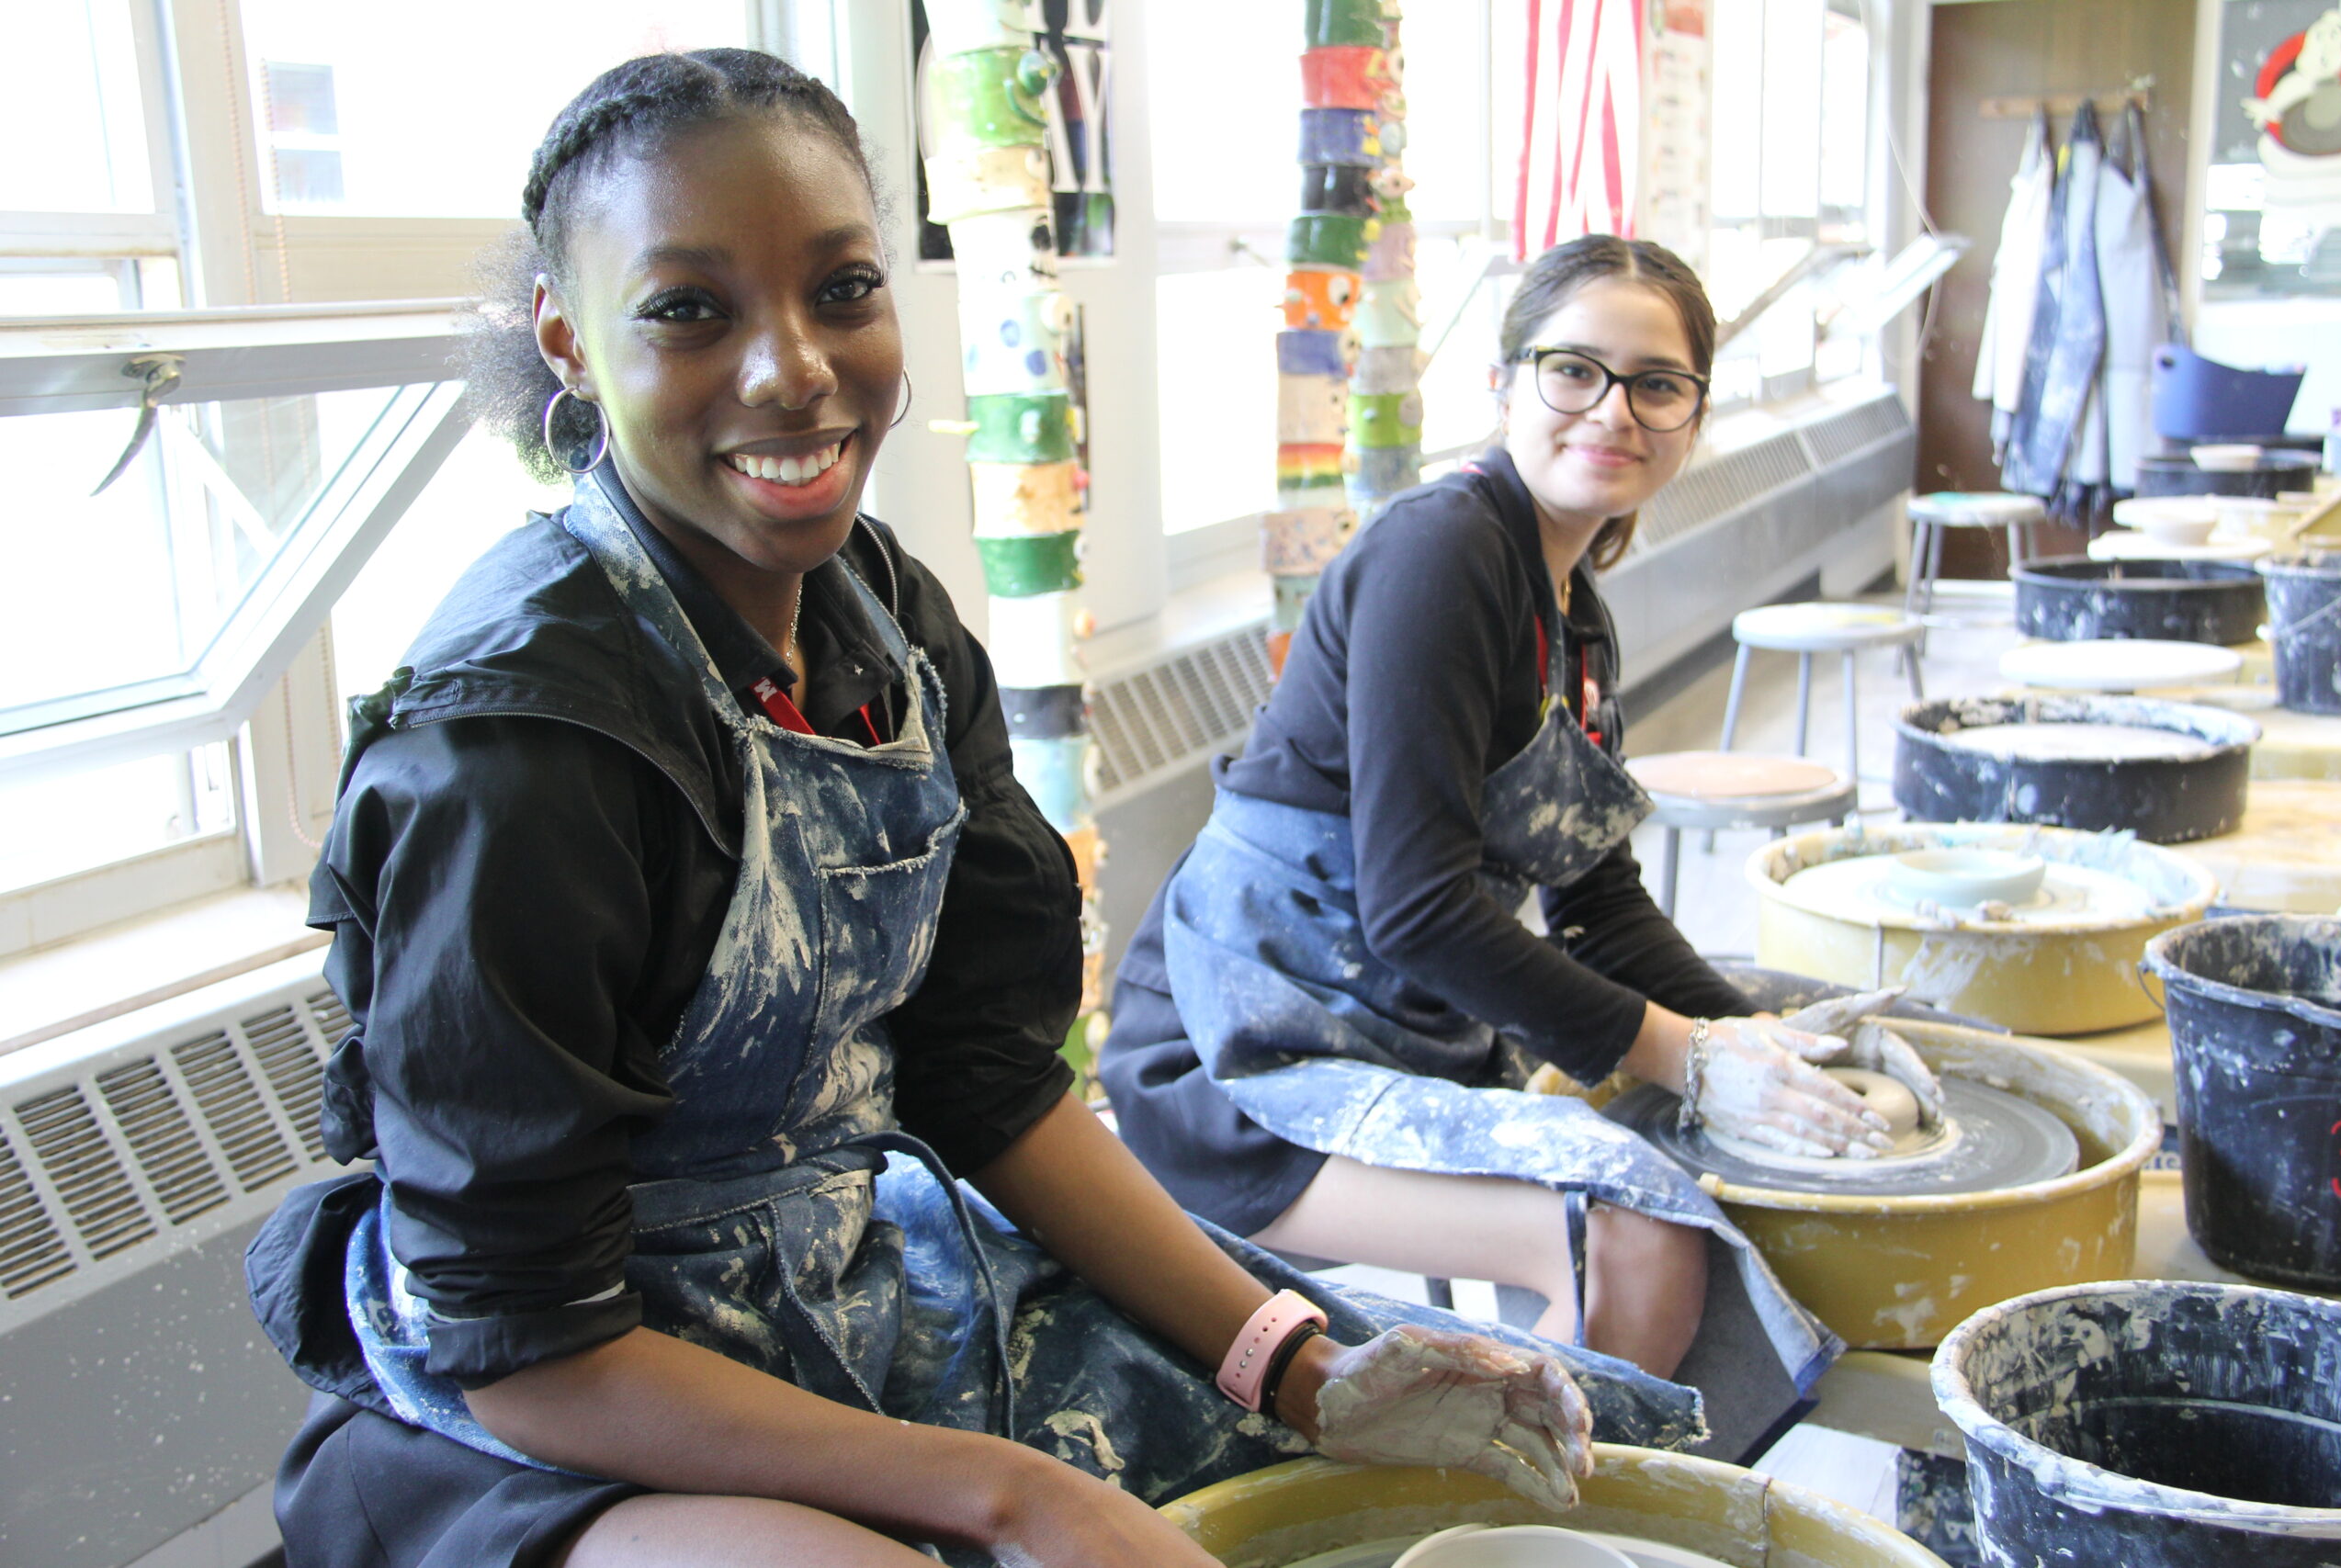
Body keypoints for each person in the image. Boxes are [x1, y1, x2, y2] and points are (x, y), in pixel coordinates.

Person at [243, 51, 1707, 1568]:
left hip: (842, 1273)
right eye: (690, 309)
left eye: (843, 291)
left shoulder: (884, 619)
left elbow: (985, 1084)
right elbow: (527, 1338)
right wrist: (1012, 1492)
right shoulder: (517, 744)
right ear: (566, 335)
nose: (790, 370)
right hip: (572, 1405)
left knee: (1557, 1458)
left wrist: (1301, 1370)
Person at [1099, 235, 1928, 1462]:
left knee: (1675, 1139)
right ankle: (1500, 1533)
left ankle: (1560, 1505)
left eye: (1658, 383)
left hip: (1398, 1048)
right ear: (1505, 382)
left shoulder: (1574, 614)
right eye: (1575, 370)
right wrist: (1688, 1057)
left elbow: (1600, 904)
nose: (1616, 410)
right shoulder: (1443, 554)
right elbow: (1421, 911)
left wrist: (1773, 1039)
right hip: (1246, 1074)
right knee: (1631, 1219)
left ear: (1696, 412)